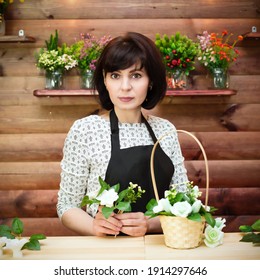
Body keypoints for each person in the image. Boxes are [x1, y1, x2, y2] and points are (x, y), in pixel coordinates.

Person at [57, 32, 188, 237]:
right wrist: (94, 226)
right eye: (115, 76)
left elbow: (184, 203)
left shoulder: (166, 131)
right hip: (106, 252)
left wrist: (149, 223)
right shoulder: (85, 131)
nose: (125, 87)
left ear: (150, 81)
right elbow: (66, 206)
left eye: (136, 75)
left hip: (161, 250)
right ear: (105, 80)